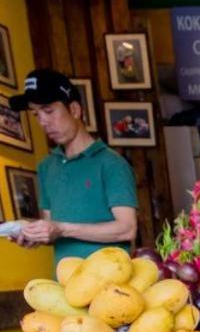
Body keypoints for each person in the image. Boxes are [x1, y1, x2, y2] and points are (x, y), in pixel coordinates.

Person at [8, 69, 138, 264]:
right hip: (63, 286)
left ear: (75, 110)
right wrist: (35, 234)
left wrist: (62, 228)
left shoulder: (111, 163)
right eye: (35, 114)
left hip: (110, 286)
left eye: (48, 110)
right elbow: (55, 229)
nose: (42, 121)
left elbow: (127, 229)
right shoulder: (46, 167)